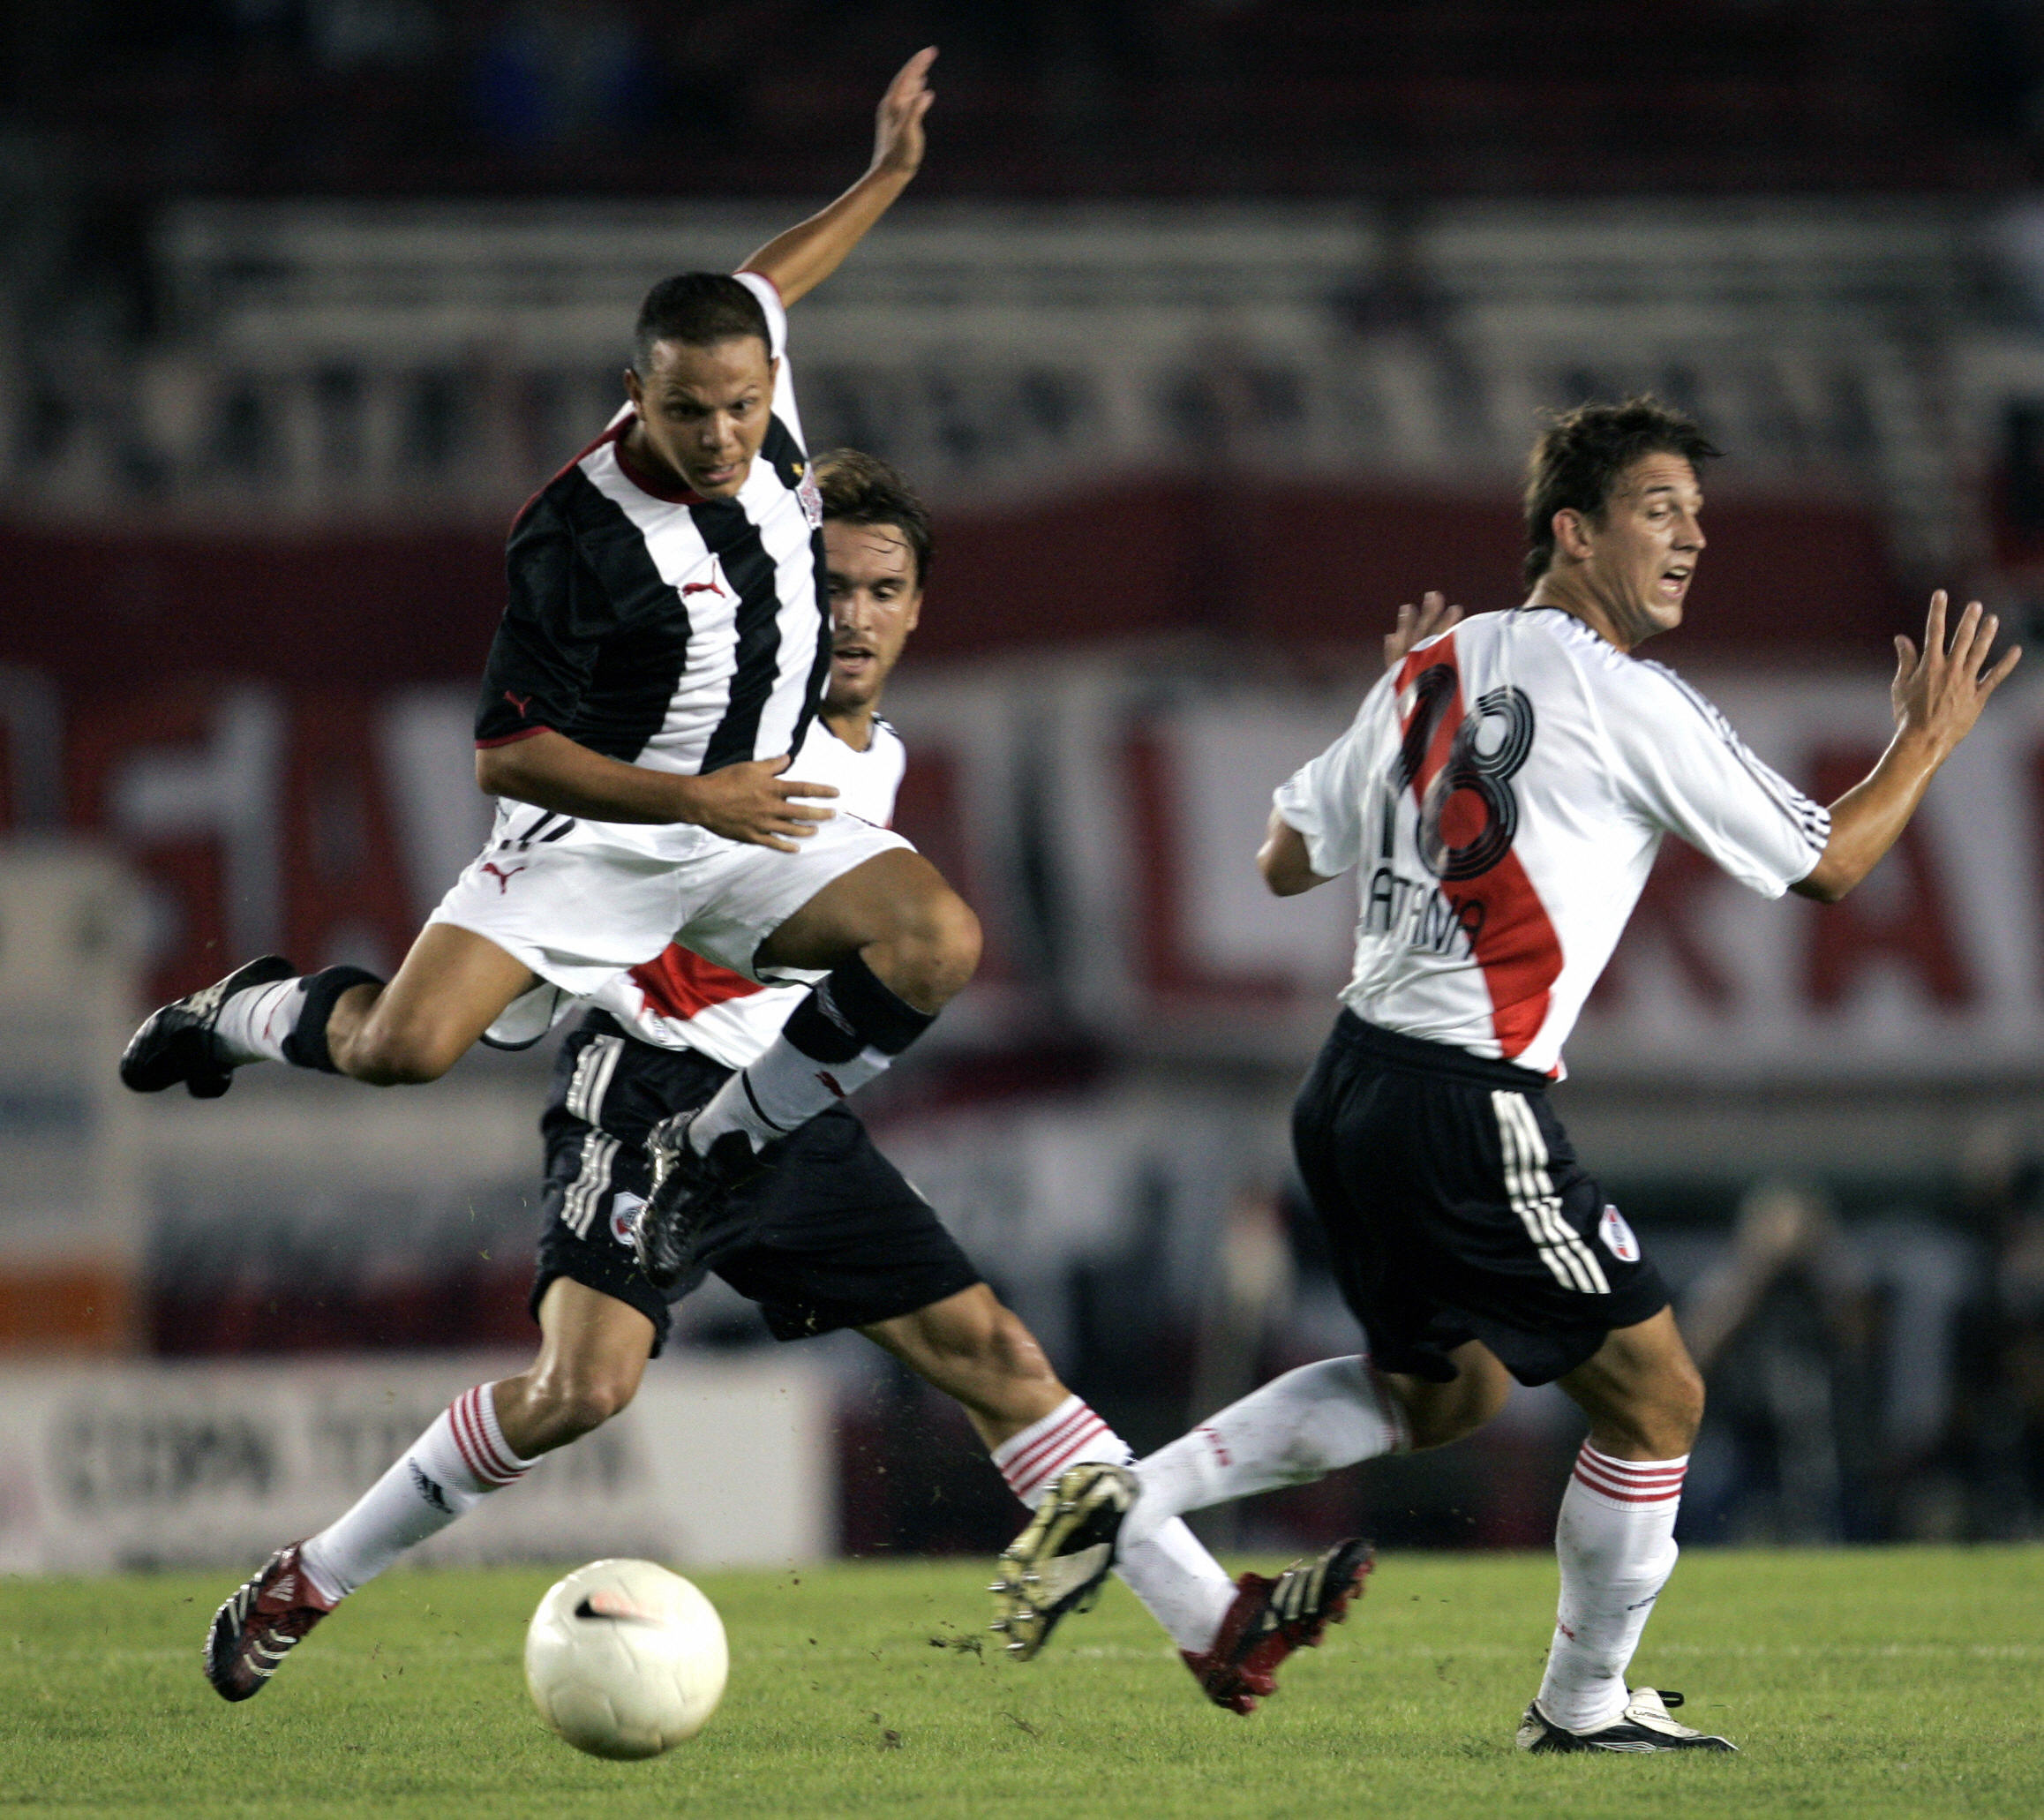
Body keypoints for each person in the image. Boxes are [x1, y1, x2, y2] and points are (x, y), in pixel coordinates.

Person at [199, 450, 1370, 1715]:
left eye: (883, 589)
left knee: (993, 1352)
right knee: (582, 1390)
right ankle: (309, 1578)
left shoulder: (884, 757)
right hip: (645, 1086)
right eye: (833, 587)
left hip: (779, 1111)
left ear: (916, 610)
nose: (856, 615)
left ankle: (1214, 1624)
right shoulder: (719, 726)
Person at [990, 395, 2021, 1754]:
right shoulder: (1626, 696)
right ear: (1573, 531)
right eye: (1660, 510)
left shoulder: (1432, 666)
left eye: (1699, 515)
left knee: (1444, 1391)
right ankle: (1580, 1709)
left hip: (1350, 1088)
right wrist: (1929, 736)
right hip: (1465, 1095)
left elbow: (1283, 858)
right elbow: (1829, 863)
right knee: (1660, 1394)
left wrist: (1405, 746)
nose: (1693, 539)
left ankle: (1129, 1495)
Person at [119, 49, 978, 1291]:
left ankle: (715, 1156)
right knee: (405, 1047)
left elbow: (774, 277)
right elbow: (507, 754)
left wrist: (886, 172)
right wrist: (692, 798)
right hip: (603, 835)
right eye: (690, 412)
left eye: (743, 406)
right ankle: (240, 1013)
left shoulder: (752, 377)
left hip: (743, 821)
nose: (723, 436)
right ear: (638, 393)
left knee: (935, 941)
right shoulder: (578, 533)